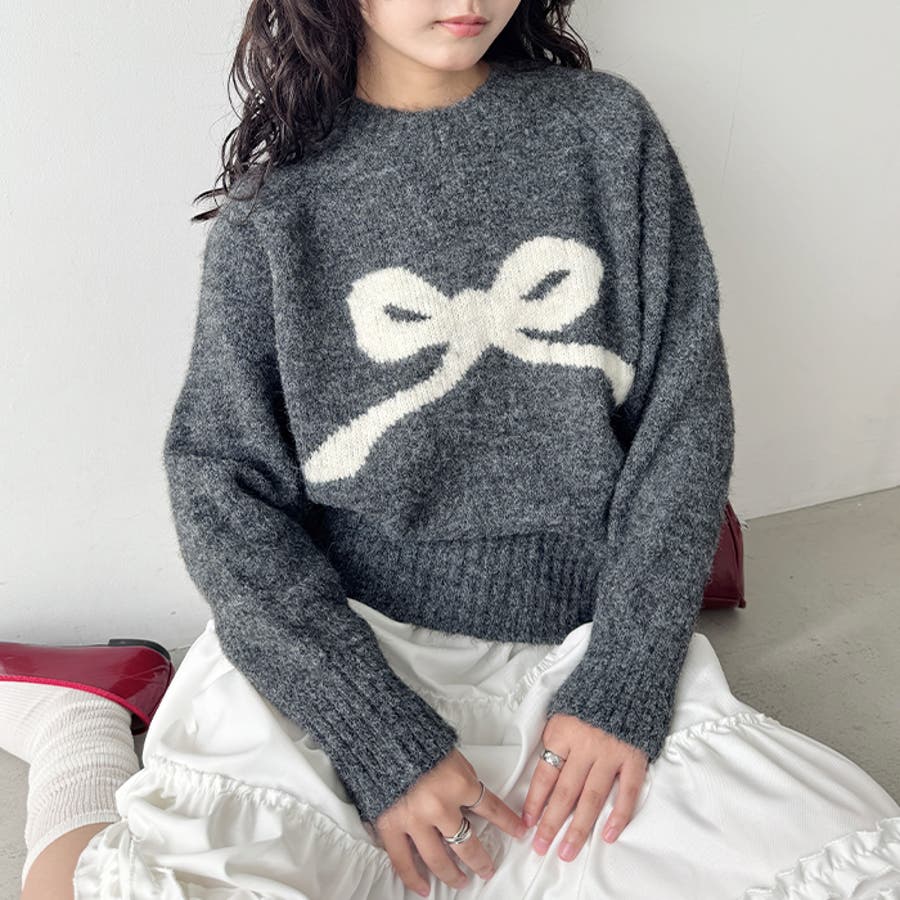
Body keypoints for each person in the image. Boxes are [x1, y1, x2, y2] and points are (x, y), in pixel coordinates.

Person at [3, 1, 899, 897]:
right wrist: (377, 736)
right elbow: (219, 487)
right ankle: (79, 731)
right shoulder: (277, 210)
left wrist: (625, 677)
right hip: (349, 651)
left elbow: (685, 423)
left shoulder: (604, 131)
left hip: (582, 644)